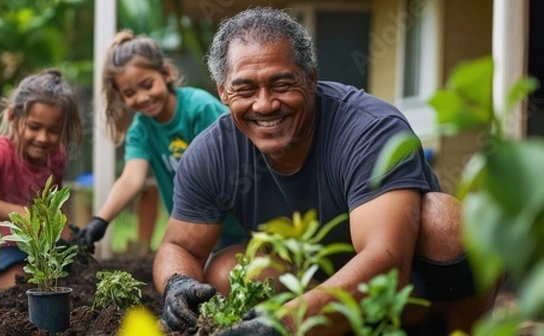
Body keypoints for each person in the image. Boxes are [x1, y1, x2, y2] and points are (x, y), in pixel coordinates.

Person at [153, 7, 499, 335]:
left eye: (282, 84)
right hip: (311, 289)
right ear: (224, 93)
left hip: (406, 294)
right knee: (227, 270)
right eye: (245, 89)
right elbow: (179, 246)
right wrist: (176, 282)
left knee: (445, 222)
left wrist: (285, 324)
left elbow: (387, 260)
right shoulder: (212, 151)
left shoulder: (369, 129)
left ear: (311, 79)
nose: (265, 104)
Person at [76, 30, 247, 254]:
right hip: (197, 227)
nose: (142, 97)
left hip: (241, 221)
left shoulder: (200, 109)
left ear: (166, 73)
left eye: (147, 85)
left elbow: (236, 163)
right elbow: (131, 179)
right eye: (129, 93)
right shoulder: (142, 129)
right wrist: (99, 222)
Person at [0, 69, 83, 290]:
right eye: (34, 127)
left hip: (35, 245)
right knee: (21, 281)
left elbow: (53, 201)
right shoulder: (0, 151)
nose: (43, 138)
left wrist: (64, 225)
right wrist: (19, 213)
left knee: (66, 268)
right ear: (14, 117)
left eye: (53, 130)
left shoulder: (56, 154)